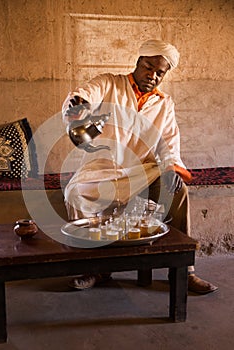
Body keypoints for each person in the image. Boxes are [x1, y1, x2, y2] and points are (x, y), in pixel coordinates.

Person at [62, 39, 218, 294]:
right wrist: (79, 104)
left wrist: (170, 169)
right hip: (102, 168)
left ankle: (184, 271)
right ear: (137, 62)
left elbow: (167, 142)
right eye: (148, 67)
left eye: (160, 72)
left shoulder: (164, 103)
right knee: (77, 194)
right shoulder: (109, 83)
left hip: (142, 171)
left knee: (177, 191)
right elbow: (83, 95)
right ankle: (93, 268)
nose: (152, 75)